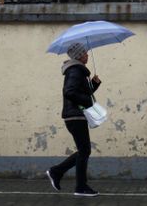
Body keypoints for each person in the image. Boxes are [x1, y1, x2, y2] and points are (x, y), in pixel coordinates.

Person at [46, 42, 101, 197]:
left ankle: (57, 172)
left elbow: (80, 92)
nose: (87, 55)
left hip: (76, 115)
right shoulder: (75, 70)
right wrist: (88, 101)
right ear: (79, 55)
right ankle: (79, 186)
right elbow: (69, 92)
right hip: (75, 116)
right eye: (85, 53)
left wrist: (94, 86)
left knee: (84, 151)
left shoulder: (77, 71)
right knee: (84, 151)